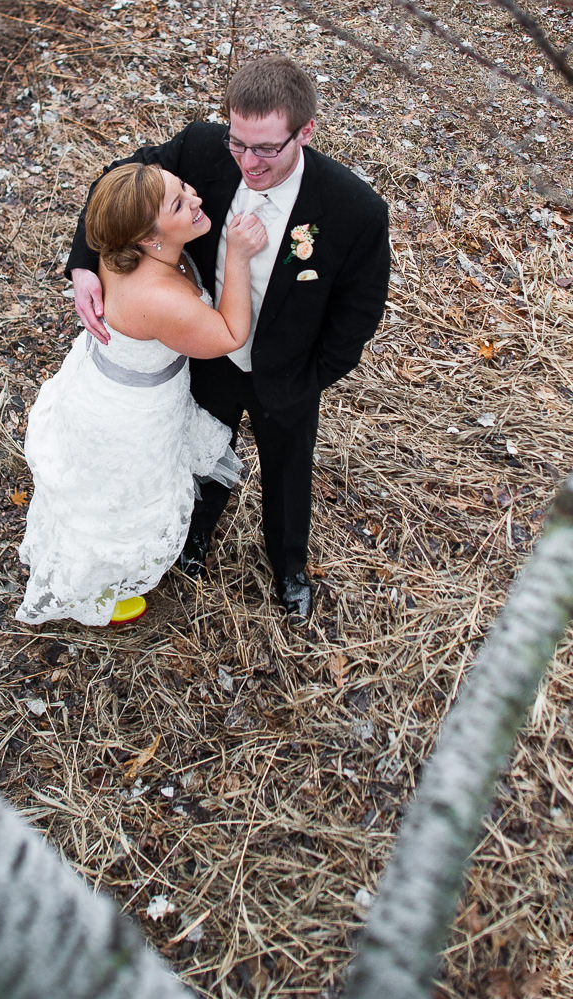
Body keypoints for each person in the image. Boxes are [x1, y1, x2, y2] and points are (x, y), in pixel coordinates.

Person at [69, 56, 390, 621]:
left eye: (266, 148)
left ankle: (289, 567)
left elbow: (359, 311)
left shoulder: (353, 209)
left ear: (305, 132)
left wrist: (311, 376)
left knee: (289, 472)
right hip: (204, 355)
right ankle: (190, 542)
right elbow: (115, 187)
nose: (248, 162)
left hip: (288, 371)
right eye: (238, 143)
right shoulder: (200, 151)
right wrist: (83, 265)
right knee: (200, 452)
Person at [15, 162, 267, 627]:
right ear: (149, 239)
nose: (195, 199)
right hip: (129, 417)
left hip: (102, 383)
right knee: (120, 504)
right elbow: (230, 333)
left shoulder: (120, 250)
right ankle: (96, 588)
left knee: (94, 490)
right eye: (178, 203)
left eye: (185, 186)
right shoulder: (157, 297)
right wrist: (236, 256)